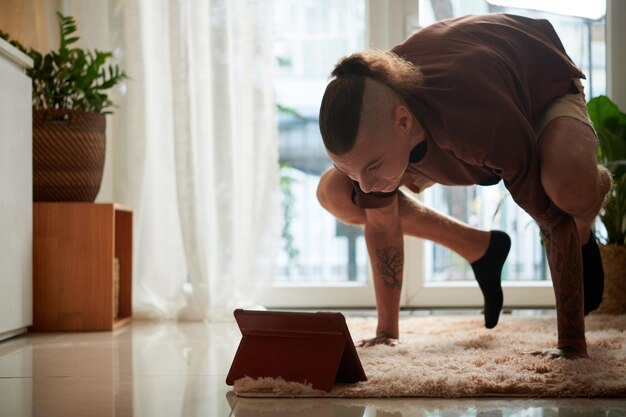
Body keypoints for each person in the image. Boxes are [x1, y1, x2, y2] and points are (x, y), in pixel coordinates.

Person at [316, 14, 612, 359]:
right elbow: (381, 224)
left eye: (372, 166)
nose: (365, 183)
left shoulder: (476, 120)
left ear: (402, 120)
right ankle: (480, 248)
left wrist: (571, 342)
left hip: (537, 90)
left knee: (565, 191)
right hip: (448, 129)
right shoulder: (381, 116)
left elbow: (551, 219)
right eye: (351, 169)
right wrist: (385, 333)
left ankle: (591, 199)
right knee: (336, 192)